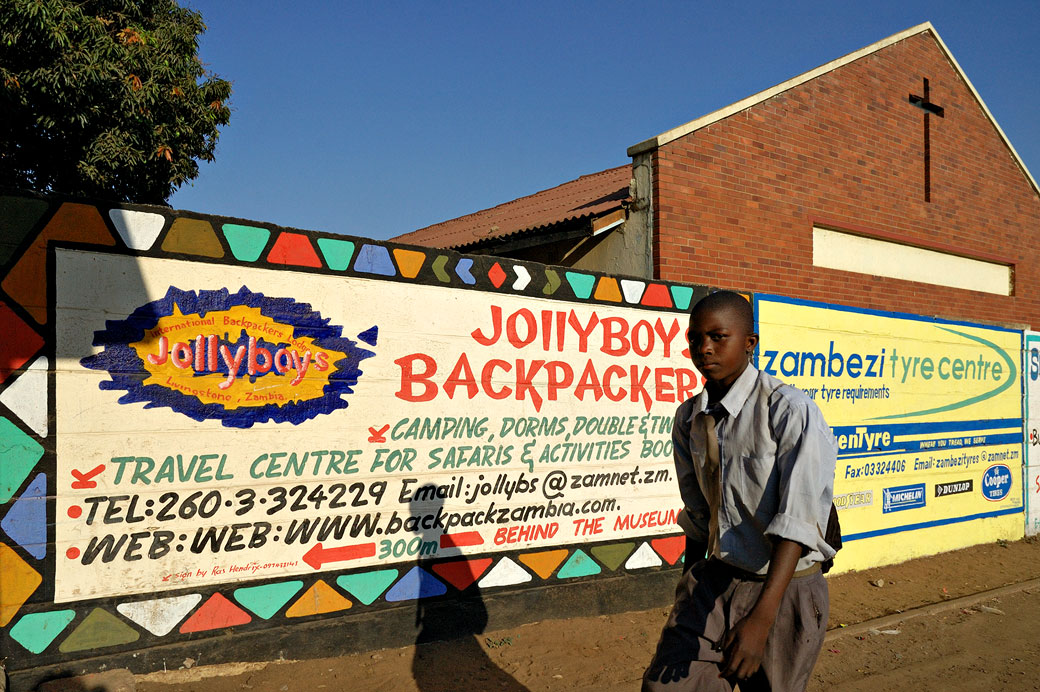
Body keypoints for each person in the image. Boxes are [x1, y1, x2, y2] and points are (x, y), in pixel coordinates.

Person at [642, 291, 837, 692]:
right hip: (717, 579)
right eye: (695, 339)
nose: (704, 349)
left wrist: (762, 619)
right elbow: (698, 515)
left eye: (718, 337)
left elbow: (796, 522)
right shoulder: (689, 418)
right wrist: (688, 592)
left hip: (785, 590)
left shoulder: (788, 410)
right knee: (667, 686)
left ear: (750, 343)